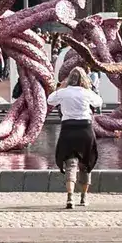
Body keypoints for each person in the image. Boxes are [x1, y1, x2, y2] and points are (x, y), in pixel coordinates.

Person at [47, 64, 101, 209]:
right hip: (85, 128)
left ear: (69, 79)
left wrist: (60, 88)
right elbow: (99, 102)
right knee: (85, 164)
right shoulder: (86, 92)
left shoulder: (63, 92)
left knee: (71, 164)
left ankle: (70, 197)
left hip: (68, 129)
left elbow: (50, 100)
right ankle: (83, 198)